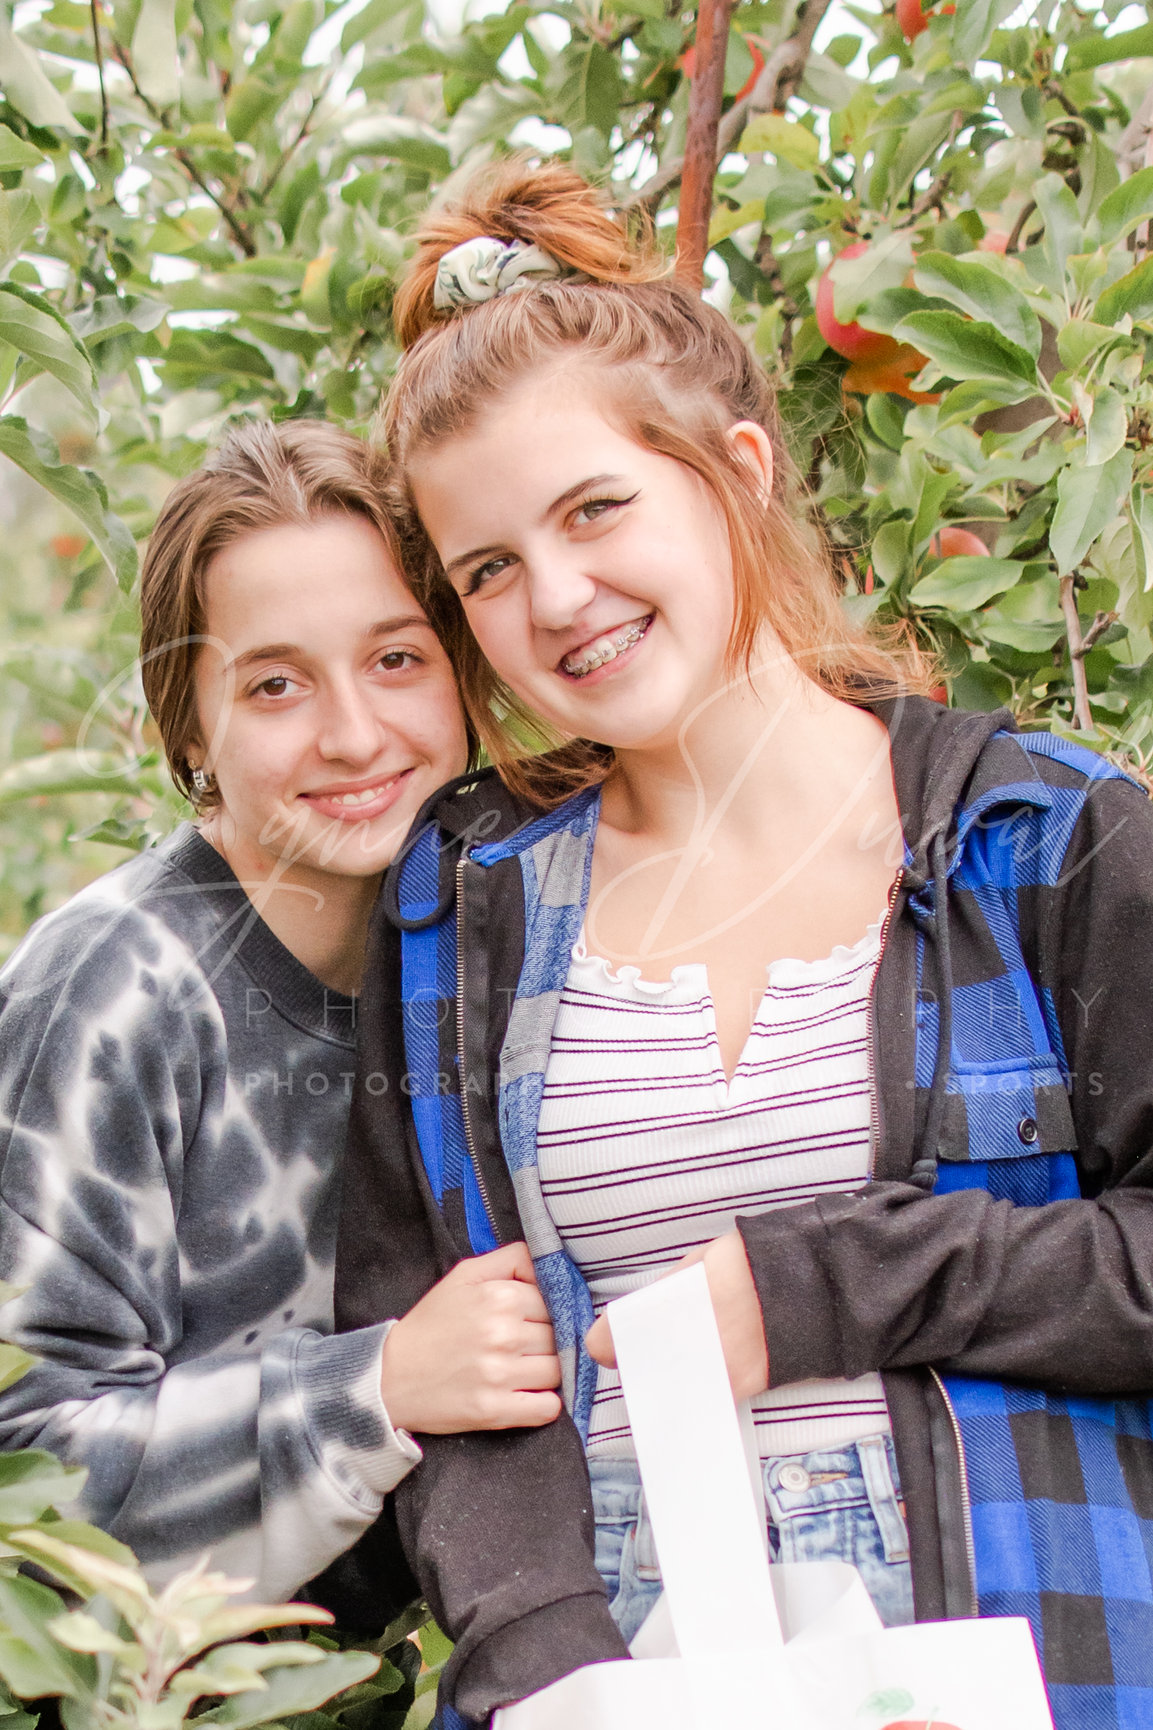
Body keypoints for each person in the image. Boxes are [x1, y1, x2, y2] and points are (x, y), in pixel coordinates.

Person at [336, 163, 1153, 1730]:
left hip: (1027, 1664)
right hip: (627, 1684)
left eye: (595, 509)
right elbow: (438, 1363)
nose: (556, 599)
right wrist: (550, 1668)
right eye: (486, 570)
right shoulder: (461, 901)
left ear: (740, 470)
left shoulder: (1042, 838)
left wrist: (829, 1278)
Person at [0, 419, 562, 1610]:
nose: (354, 733)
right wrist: (380, 1387)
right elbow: (23, 1479)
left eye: (397, 658)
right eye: (274, 683)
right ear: (190, 724)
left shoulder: (487, 938)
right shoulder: (111, 993)